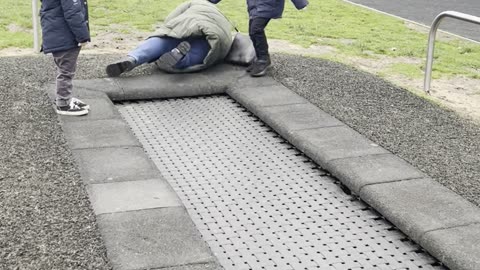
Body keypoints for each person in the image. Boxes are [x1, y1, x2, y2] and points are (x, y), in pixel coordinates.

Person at [106, 0, 233, 77]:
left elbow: (171, 20)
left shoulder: (195, 3)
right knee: (200, 51)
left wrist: (167, 30)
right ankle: (180, 58)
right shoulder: (226, 21)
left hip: (188, 24)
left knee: (164, 40)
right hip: (216, 34)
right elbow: (227, 41)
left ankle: (133, 58)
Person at [231, 0, 309, 77]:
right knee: (252, 33)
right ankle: (260, 58)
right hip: (254, 6)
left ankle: (263, 60)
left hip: (268, 5)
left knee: (256, 30)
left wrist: (301, 3)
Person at [40, 0, 91, 116]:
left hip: (57, 33)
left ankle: (66, 98)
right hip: (65, 36)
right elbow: (73, 12)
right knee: (66, 71)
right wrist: (83, 36)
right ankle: (63, 103)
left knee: (64, 69)